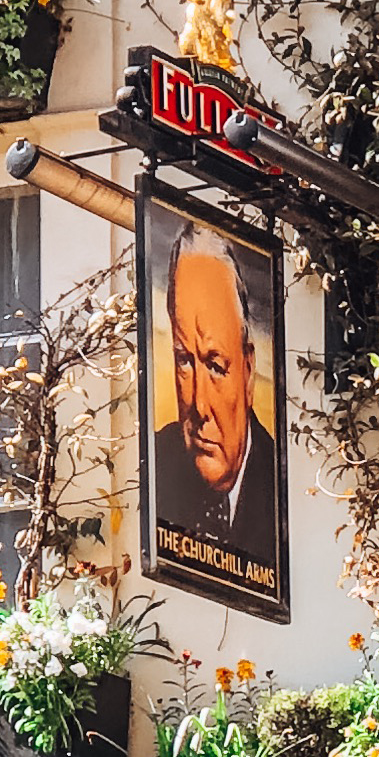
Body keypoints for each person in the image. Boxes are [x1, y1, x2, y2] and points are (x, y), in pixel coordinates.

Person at [148, 231, 280, 591]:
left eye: (215, 365)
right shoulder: (157, 462)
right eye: (184, 361)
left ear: (248, 372)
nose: (199, 404)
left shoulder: (279, 486)